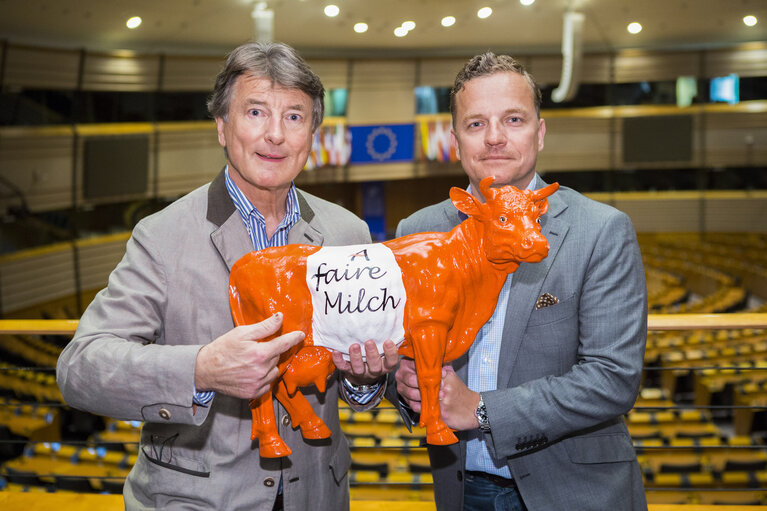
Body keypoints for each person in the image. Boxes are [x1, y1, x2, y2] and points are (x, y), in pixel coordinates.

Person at [56, 42, 398, 511]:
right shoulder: (161, 235)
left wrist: (366, 379)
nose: (275, 135)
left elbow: (358, 385)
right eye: (256, 112)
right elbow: (80, 368)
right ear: (222, 126)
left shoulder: (348, 233)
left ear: (312, 134)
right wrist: (201, 370)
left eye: (295, 117)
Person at [388, 52, 648, 511]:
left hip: (573, 493)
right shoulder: (417, 232)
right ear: (455, 140)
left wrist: (481, 409)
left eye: (513, 119)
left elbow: (612, 377)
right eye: (475, 124)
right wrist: (404, 382)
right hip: (461, 488)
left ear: (540, 132)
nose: (494, 138)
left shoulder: (601, 230)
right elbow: (400, 348)